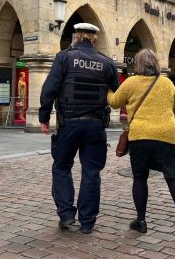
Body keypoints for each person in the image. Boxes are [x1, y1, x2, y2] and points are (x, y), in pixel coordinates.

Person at [39, 22, 119, 234]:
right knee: (91, 172)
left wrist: (44, 116)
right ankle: (87, 222)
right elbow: (118, 93)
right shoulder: (107, 63)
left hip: (70, 124)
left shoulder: (64, 57)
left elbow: (50, 89)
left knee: (62, 167)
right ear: (94, 39)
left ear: (76, 37)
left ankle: (66, 215)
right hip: (95, 125)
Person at [107, 49, 175, 242]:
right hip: (167, 136)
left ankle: (141, 221)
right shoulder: (166, 83)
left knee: (140, 178)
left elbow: (113, 102)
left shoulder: (130, 82)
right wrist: (166, 120)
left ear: (137, 64)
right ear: (156, 64)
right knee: (173, 178)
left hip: (140, 136)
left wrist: (108, 89)